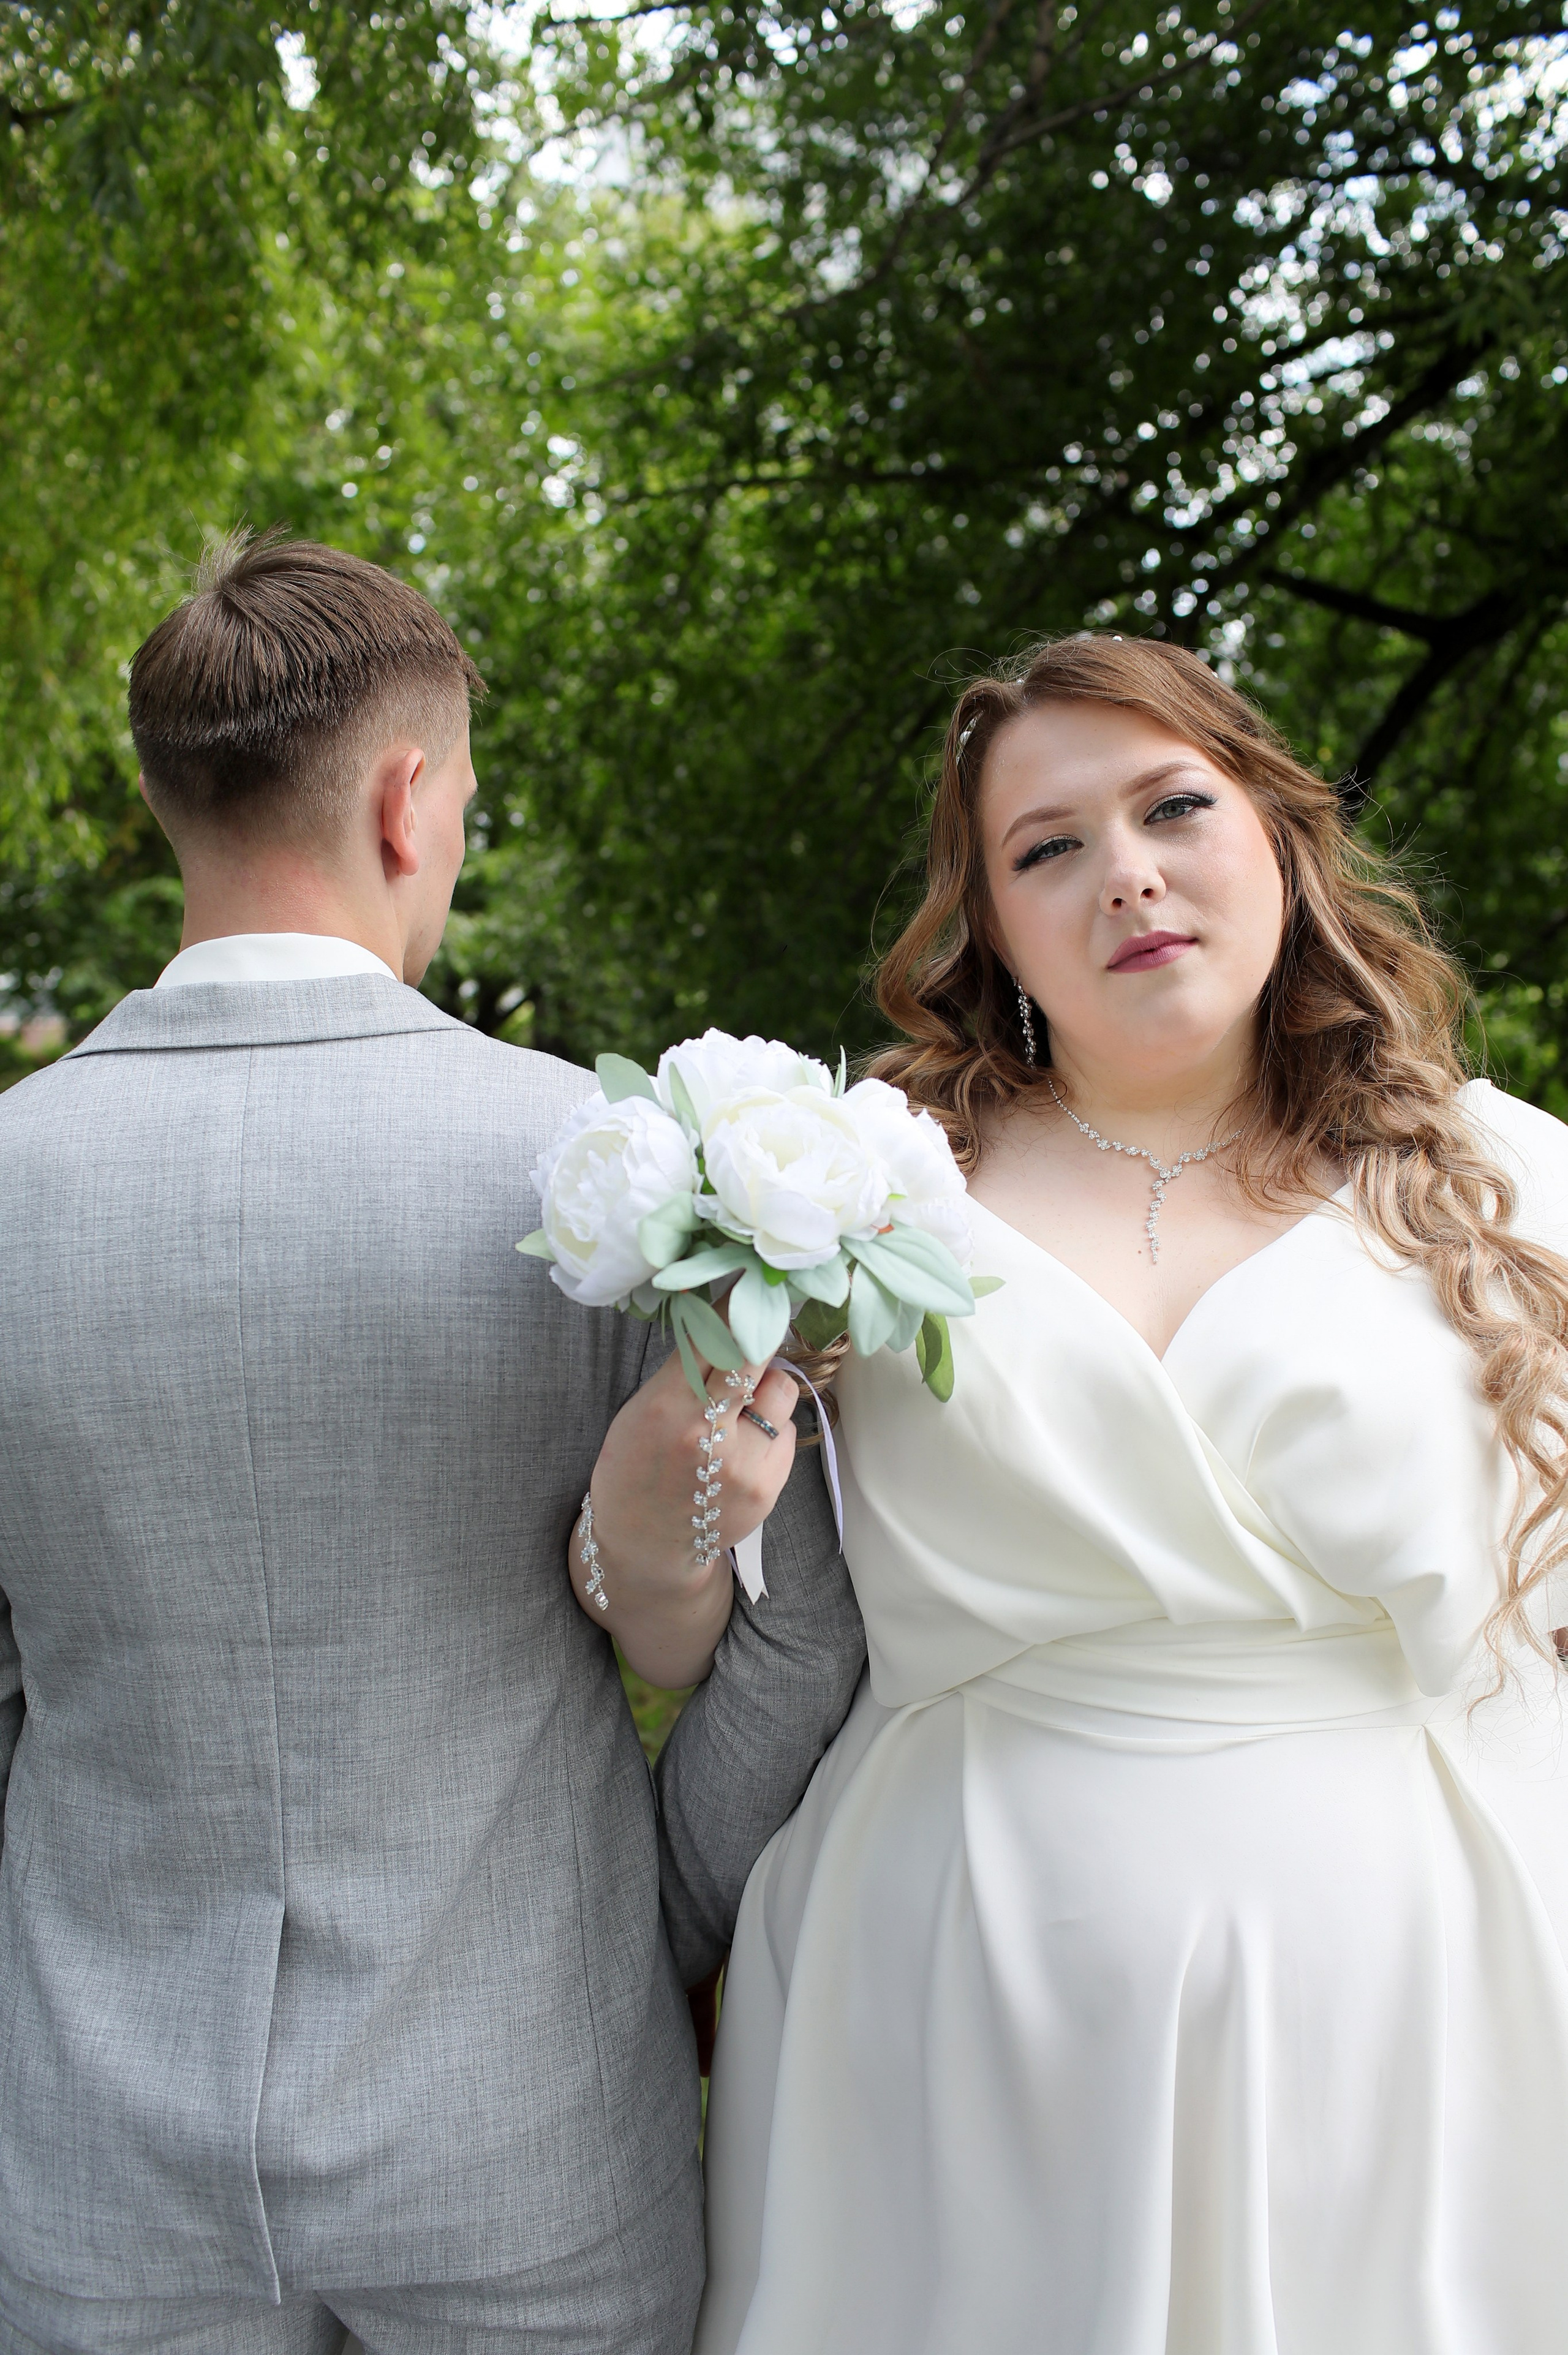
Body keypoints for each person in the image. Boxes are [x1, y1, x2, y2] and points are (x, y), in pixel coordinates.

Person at [633, 634, 1568, 2354]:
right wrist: (678, 1491)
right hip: (952, 1989)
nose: (1125, 872)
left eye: (1172, 806)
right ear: (989, 924)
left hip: (1382, 2008)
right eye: (1047, 847)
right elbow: (685, 1603)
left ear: (1279, 836)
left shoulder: (1508, 1184)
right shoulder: (866, 1192)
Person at [0, 530, 864, 2355]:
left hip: (85, 2133)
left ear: (172, 799)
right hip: (528, 2118)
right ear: (410, 803)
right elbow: (796, 1631)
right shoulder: (608, 1175)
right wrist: (653, 1933)